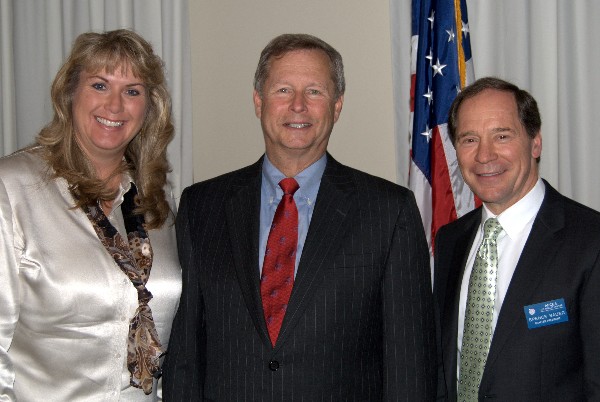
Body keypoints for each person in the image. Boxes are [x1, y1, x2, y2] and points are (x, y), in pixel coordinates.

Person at [162, 33, 436, 401]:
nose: (298, 106)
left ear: (337, 106)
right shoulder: (201, 207)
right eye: (283, 90)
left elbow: (410, 366)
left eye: (315, 92)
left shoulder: (388, 212)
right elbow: (186, 354)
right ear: (258, 102)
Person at [0, 29, 181, 400]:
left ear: (149, 107)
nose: (115, 106)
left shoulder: (157, 198)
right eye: (100, 85)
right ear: (69, 94)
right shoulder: (12, 188)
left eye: (132, 91)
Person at [434, 76, 600, 400]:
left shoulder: (590, 242)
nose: (485, 155)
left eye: (502, 136)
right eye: (469, 139)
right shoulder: (450, 240)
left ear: (535, 142)